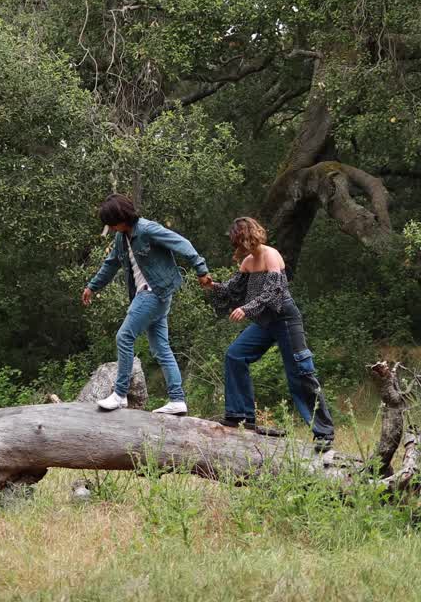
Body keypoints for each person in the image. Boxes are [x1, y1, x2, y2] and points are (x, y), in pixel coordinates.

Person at [208, 217, 334, 450]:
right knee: (235, 355)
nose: (237, 246)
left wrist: (247, 309)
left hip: (285, 318)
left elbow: (274, 290)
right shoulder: (247, 262)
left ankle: (324, 433)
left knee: (300, 372)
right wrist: (212, 285)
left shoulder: (271, 255)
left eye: (239, 240)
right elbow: (232, 290)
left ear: (248, 236)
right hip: (265, 322)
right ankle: (240, 417)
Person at [82, 193, 214, 414]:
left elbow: (183, 243)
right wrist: (92, 286)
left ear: (120, 218)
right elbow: (111, 264)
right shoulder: (121, 237)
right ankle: (177, 400)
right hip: (149, 295)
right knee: (161, 348)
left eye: (111, 223)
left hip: (155, 292)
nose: (111, 228)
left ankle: (120, 394)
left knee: (124, 336)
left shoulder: (147, 229)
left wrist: (201, 270)